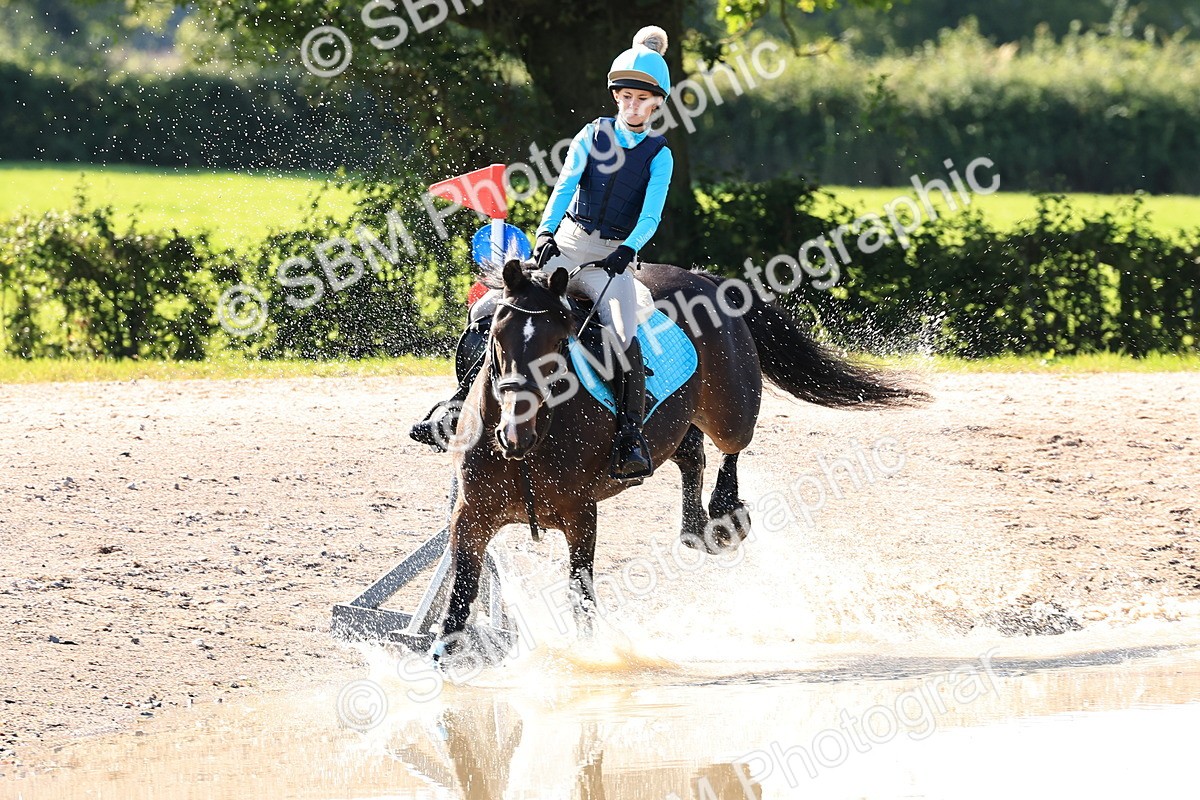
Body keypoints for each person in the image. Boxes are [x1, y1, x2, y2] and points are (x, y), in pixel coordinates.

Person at [412, 25, 675, 482]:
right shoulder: (591, 136)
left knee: (621, 329)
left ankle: (630, 435)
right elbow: (564, 187)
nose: (631, 106)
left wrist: (628, 249)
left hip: (611, 257)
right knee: (495, 309)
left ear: (656, 103)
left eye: (640, 99)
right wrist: (545, 235)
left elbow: (650, 216)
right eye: (624, 97)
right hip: (567, 243)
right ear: (616, 97)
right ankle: (459, 403)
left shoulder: (659, 155)